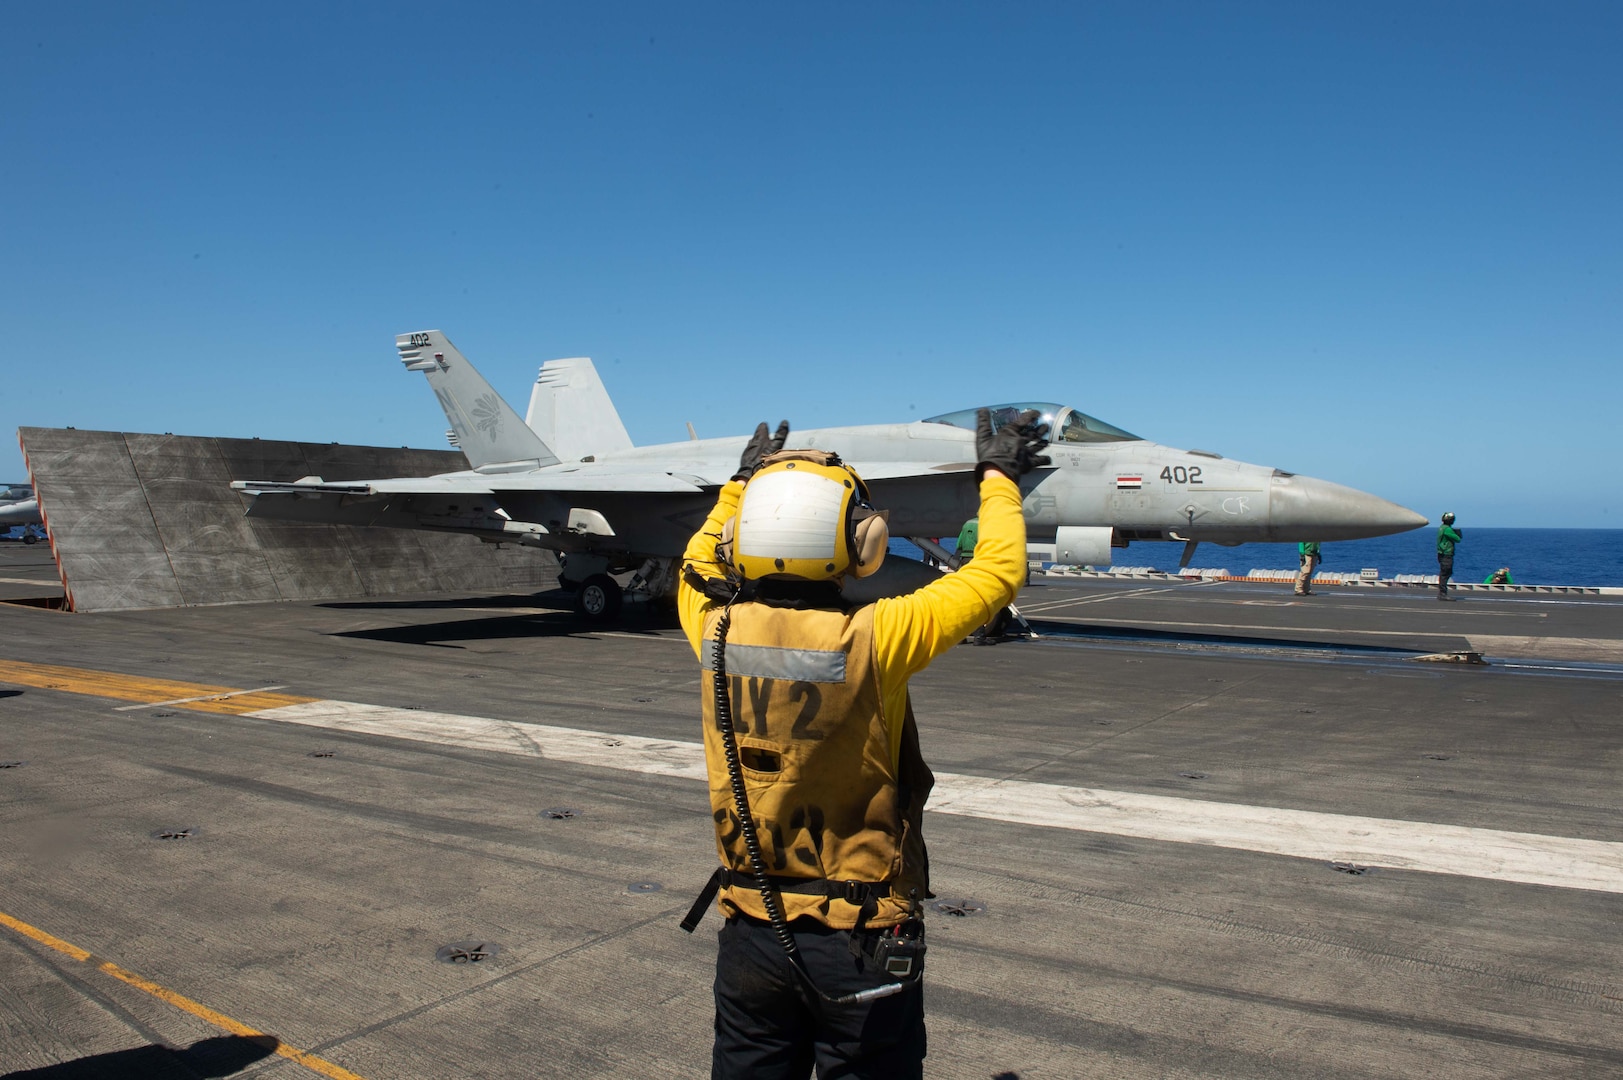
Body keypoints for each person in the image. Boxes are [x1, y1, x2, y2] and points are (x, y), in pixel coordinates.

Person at [677, 409, 1049, 1079]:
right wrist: (998, 477)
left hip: (751, 934)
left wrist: (739, 484)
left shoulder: (709, 625)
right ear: (862, 542)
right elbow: (995, 573)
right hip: (861, 940)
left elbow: (697, 559)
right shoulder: (882, 636)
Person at [1436, 512, 1462, 600]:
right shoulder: (1447, 529)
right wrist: (1457, 534)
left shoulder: (1441, 527)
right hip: (1446, 554)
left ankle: (1442, 593)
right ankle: (1442, 594)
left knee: (1445, 573)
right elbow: (1457, 539)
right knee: (1445, 573)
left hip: (1441, 554)